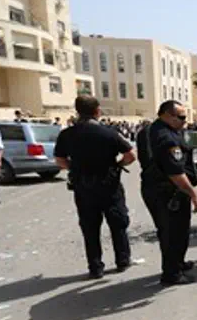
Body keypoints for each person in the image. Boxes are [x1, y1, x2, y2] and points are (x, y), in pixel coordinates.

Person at [53, 96, 136, 279]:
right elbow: (130, 155)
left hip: (83, 186)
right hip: (109, 184)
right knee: (117, 222)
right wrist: (117, 165)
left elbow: (60, 160)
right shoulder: (108, 133)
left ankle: (95, 266)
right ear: (97, 111)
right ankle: (122, 259)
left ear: (77, 111)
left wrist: (74, 168)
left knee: (90, 227)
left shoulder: (67, 134)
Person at [143, 100, 197, 286]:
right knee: (173, 233)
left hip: (161, 189)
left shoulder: (154, 130)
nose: (185, 121)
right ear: (167, 115)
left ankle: (177, 263)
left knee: (177, 231)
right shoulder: (166, 138)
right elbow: (175, 173)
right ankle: (171, 274)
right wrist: (194, 195)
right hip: (168, 193)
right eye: (181, 117)